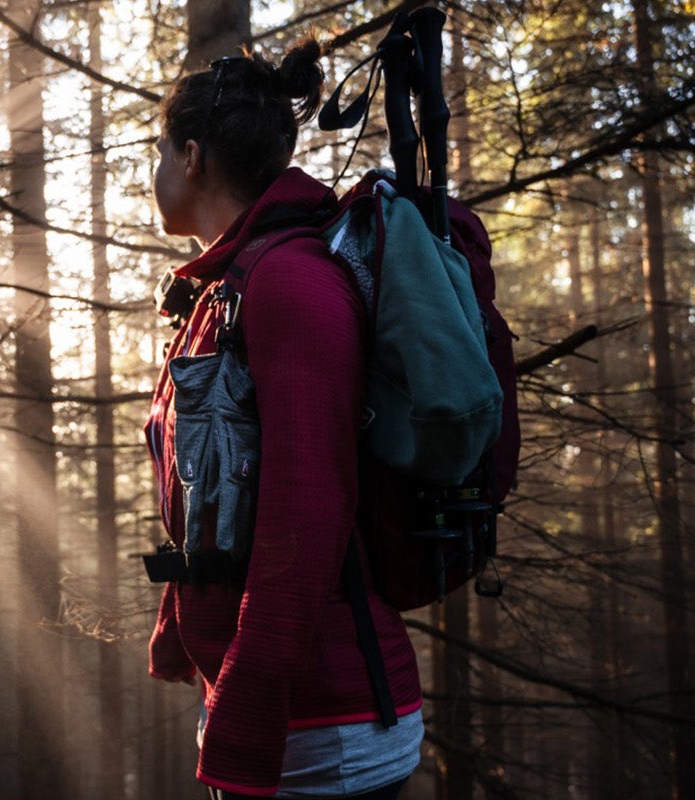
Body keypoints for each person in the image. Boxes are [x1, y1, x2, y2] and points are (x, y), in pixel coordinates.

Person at [143, 39, 423, 800]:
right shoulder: (224, 289)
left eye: (157, 151)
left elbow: (309, 507)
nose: (154, 173)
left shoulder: (290, 283)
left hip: (323, 728)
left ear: (192, 157)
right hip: (278, 713)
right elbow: (217, 490)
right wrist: (186, 634)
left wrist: (248, 709)